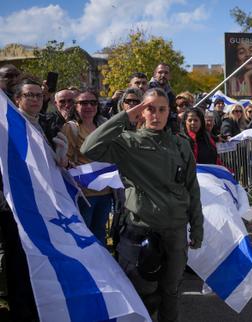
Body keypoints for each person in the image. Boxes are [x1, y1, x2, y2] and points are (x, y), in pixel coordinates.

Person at [80, 88, 203, 321]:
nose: (156, 115)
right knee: (142, 292)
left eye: (162, 109)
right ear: (141, 112)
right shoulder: (128, 143)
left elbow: (192, 188)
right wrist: (127, 114)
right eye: (150, 108)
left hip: (175, 230)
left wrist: (197, 227)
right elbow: (89, 148)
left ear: (169, 112)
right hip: (141, 230)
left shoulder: (180, 145)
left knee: (171, 290)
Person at [0, 79, 69, 322]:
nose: (35, 100)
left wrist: (61, 150)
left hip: (42, 207)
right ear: (16, 99)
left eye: (39, 96)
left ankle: (39, 307)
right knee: (19, 262)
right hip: (15, 208)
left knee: (39, 260)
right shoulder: (7, 126)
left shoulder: (43, 126)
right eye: (29, 95)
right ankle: (22, 312)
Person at [61, 89, 112, 244]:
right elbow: (65, 160)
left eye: (93, 102)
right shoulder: (71, 128)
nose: (89, 106)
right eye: (83, 103)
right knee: (84, 236)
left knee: (100, 234)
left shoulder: (104, 125)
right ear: (75, 106)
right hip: (83, 194)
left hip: (106, 191)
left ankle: (101, 267)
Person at [149, 63, 179, 134]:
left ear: (169, 76)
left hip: (166, 132)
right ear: (154, 74)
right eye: (160, 72)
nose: (163, 75)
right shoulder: (147, 90)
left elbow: (173, 113)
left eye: (166, 73)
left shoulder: (171, 94)